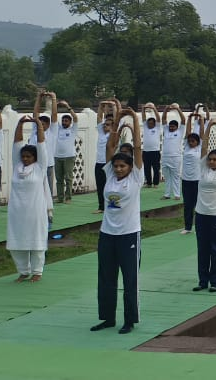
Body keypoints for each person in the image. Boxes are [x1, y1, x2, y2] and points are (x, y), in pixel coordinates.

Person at [94, 108, 143, 334]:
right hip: (107, 234)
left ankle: (129, 320)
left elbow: (138, 149)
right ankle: (107, 317)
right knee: (106, 277)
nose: (119, 168)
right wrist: (115, 127)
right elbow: (109, 148)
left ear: (130, 167)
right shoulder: (109, 175)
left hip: (129, 234)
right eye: (116, 166)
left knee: (129, 280)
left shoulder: (135, 177)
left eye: (123, 165)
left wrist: (133, 120)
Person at [7, 116, 52, 281]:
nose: (25, 159)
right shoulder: (17, 166)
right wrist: (20, 124)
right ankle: (23, 271)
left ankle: (37, 271)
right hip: (16, 211)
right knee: (17, 241)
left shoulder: (40, 168)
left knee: (37, 241)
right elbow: (16, 144)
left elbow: (41, 146)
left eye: (29, 157)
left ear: (35, 158)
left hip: (35, 211)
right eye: (23, 156)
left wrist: (38, 125)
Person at [193, 119, 216, 292]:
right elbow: (204, 146)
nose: (211, 161)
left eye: (215, 160)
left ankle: (214, 281)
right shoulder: (203, 169)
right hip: (201, 215)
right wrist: (208, 127)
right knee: (202, 250)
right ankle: (202, 281)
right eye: (210, 160)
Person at [29, 92, 58, 201]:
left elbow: (54, 115)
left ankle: (47, 212)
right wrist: (39, 98)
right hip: (33, 165)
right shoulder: (34, 131)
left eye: (43, 124)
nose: (40, 126)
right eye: (39, 124)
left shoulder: (52, 132)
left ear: (48, 125)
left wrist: (53, 98)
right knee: (34, 189)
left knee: (47, 191)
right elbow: (35, 114)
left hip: (47, 165)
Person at [52, 99, 79, 204]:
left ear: (70, 122)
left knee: (68, 178)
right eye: (63, 121)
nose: (64, 122)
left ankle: (68, 198)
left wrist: (67, 106)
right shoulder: (57, 129)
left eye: (66, 121)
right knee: (59, 179)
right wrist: (56, 106)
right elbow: (53, 117)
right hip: (57, 156)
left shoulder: (72, 130)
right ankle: (60, 198)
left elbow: (75, 118)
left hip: (69, 157)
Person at [180, 122, 203, 235]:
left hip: (197, 180)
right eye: (189, 141)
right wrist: (189, 119)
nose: (190, 143)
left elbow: (202, 134)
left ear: (197, 142)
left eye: (193, 141)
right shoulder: (186, 147)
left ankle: (200, 226)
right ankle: (188, 227)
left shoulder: (200, 147)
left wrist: (202, 121)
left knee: (198, 204)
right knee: (188, 205)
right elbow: (187, 133)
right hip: (185, 180)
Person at [159, 105, 185, 201]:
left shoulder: (180, 131)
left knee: (176, 177)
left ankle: (177, 195)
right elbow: (163, 119)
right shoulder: (166, 130)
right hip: (165, 157)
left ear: (177, 127)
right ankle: (167, 195)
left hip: (176, 157)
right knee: (167, 177)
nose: (171, 128)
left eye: (173, 126)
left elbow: (183, 119)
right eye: (170, 126)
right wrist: (166, 110)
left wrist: (178, 109)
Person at [139, 104, 162, 189]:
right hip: (146, 151)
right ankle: (148, 183)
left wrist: (154, 108)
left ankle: (156, 183)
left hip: (155, 151)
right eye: (148, 123)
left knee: (156, 168)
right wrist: (143, 109)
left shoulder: (157, 127)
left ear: (154, 124)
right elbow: (143, 117)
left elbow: (158, 118)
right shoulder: (145, 127)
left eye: (151, 123)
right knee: (147, 168)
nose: (149, 125)